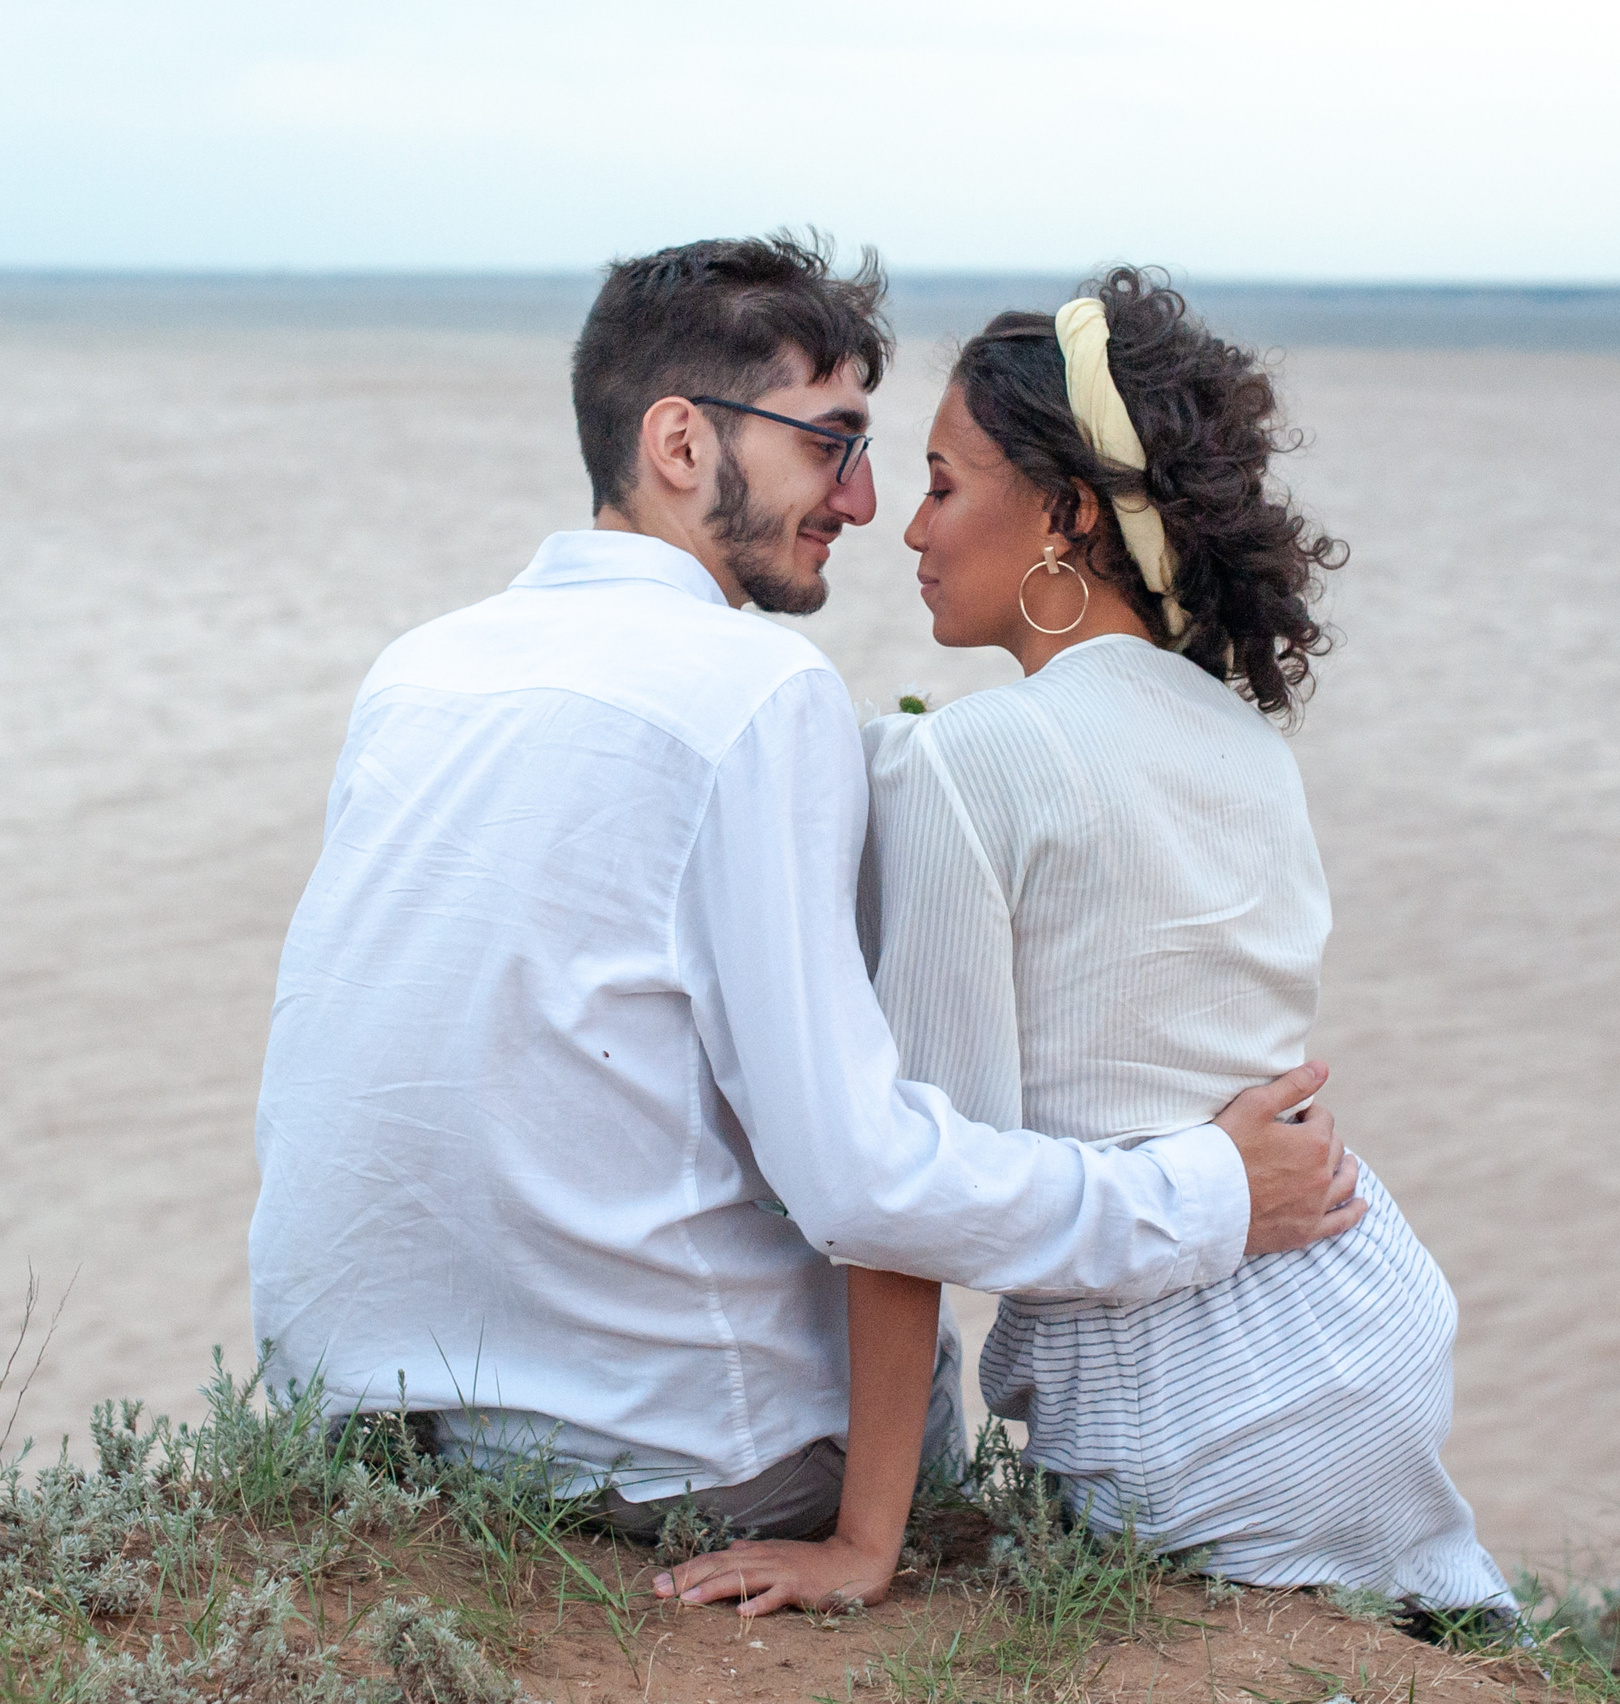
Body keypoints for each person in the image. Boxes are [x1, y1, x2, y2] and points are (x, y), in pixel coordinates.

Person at [247, 235, 1365, 1559]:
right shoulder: (753, 694)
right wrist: (1211, 1191)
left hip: (364, 1435)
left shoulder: (417, 672)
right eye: (829, 442)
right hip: (677, 1468)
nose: (864, 494)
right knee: (913, 1369)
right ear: (679, 442)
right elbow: (863, 1186)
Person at [656, 269, 1514, 1621]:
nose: (909, 527)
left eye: (940, 482)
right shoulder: (1242, 740)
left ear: (1060, 511)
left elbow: (908, 1196)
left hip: (1179, 1399)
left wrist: (862, 1541)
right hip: (1367, 1322)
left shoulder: (968, 763)